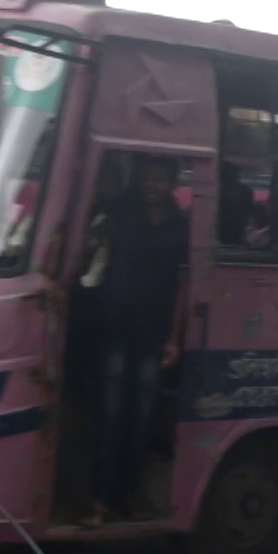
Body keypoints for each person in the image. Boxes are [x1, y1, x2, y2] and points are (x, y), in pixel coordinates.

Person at [81, 155, 190, 524]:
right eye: (147, 178)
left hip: (153, 336)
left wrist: (173, 339)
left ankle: (128, 498)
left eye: (159, 179)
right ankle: (98, 501)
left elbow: (182, 285)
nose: (152, 186)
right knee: (108, 416)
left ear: (173, 184)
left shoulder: (181, 226)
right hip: (114, 329)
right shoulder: (122, 213)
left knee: (140, 420)